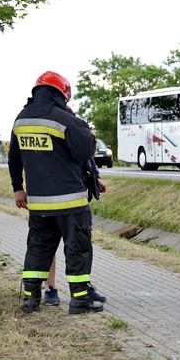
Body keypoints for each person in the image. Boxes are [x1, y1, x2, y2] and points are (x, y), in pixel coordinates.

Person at [8, 71, 103, 314]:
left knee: (38, 249)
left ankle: (31, 299)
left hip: (39, 204)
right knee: (77, 248)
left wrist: (18, 187)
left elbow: (14, 158)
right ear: (62, 94)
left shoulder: (21, 119)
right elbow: (85, 151)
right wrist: (91, 137)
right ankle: (80, 300)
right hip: (70, 201)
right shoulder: (62, 118)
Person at [44, 128, 108, 306]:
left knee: (81, 242)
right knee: (48, 244)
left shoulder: (72, 120)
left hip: (75, 194)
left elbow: (85, 155)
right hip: (48, 193)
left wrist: (95, 176)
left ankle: (82, 286)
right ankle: (50, 288)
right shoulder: (42, 119)